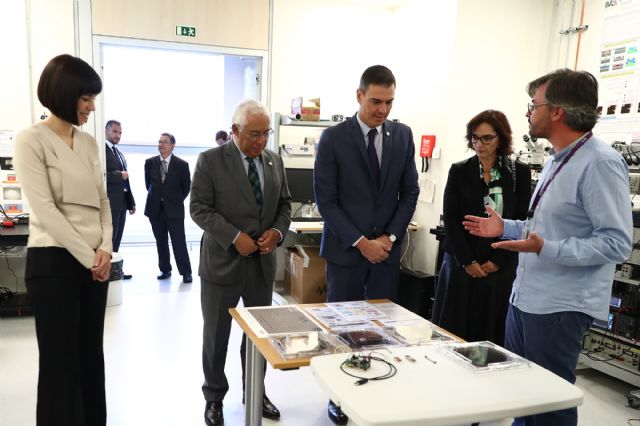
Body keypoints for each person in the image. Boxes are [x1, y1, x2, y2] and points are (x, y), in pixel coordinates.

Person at [463, 69, 633, 426]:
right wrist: (505, 226)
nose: (528, 113)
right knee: (521, 395)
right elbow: (545, 229)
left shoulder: (600, 162)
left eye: (533, 105)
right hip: (526, 298)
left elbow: (616, 243)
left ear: (557, 111)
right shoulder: (558, 158)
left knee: (549, 404)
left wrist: (547, 249)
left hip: (560, 306)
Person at [313, 65, 419, 425]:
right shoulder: (333, 138)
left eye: (389, 102)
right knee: (341, 329)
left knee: (380, 330)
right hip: (346, 253)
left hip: (385, 255)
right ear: (359, 96)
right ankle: (338, 397)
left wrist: (388, 238)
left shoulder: (402, 136)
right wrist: (361, 242)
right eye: (375, 101)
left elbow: (410, 193)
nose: (383, 110)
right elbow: (326, 201)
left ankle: (374, 391)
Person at [13, 54, 112, 426]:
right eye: (86, 98)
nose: (91, 107)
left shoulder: (88, 143)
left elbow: (103, 201)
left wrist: (104, 249)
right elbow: (46, 210)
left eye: (93, 100)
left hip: (95, 263)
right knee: (59, 360)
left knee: (90, 354)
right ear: (65, 93)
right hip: (54, 262)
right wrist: (90, 256)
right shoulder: (31, 141)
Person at [191, 99, 291, 426]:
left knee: (259, 337)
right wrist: (235, 237)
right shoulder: (211, 161)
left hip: (261, 266)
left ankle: (255, 392)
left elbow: (285, 206)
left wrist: (276, 232)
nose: (261, 141)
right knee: (216, 336)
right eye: (254, 134)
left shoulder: (274, 161)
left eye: (266, 134)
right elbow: (199, 209)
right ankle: (214, 397)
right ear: (235, 130)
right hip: (222, 264)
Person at [431, 110, 531, 345]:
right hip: (461, 265)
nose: (479, 144)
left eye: (487, 138)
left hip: (499, 266)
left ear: (501, 139)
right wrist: (468, 261)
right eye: (475, 138)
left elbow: (521, 221)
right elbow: (452, 219)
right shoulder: (459, 170)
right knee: (453, 336)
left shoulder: (519, 173)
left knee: (490, 337)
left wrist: (497, 260)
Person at [143, 132, 193, 283]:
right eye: (159, 142)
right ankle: (165, 269)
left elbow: (186, 187)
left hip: (174, 209)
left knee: (179, 240)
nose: (160, 145)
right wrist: (159, 198)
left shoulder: (182, 165)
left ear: (172, 145)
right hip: (155, 208)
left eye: (164, 142)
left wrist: (174, 200)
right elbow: (148, 185)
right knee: (161, 241)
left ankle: (186, 272)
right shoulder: (150, 162)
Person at [105, 119, 135, 279]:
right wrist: (118, 175)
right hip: (110, 203)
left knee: (117, 238)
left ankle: (115, 270)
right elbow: (101, 174)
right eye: (115, 131)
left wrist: (131, 202)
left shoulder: (119, 153)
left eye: (120, 132)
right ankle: (107, 272)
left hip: (122, 202)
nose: (118, 135)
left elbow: (127, 180)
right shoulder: (101, 150)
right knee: (109, 239)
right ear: (106, 131)